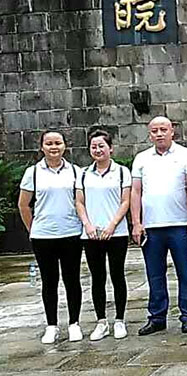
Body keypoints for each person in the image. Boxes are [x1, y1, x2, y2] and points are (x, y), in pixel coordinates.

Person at [130, 117, 187, 335]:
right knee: (155, 274)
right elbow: (135, 192)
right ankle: (157, 317)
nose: (159, 134)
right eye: (154, 131)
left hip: (179, 224)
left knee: (185, 272)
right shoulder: (142, 159)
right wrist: (136, 223)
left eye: (163, 129)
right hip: (151, 227)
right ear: (149, 134)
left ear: (172, 131)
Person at [17, 130, 84, 344]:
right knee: (49, 281)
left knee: (72, 280)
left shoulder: (75, 171)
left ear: (65, 146)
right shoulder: (33, 172)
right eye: (49, 143)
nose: (53, 147)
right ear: (42, 147)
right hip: (43, 236)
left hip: (71, 233)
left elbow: (81, 202)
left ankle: (74, 323)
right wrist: (33, 229)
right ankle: (52, 325)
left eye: (57, 143)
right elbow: (23, 205)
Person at [74, 129, 131, 341]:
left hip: (117, 233)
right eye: (94, 146)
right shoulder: (83, 174)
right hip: (91, 234)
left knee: (117, 275)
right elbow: (79, 202)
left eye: (101, 146)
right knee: (97, 277)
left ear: (110, 148)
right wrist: (87, 225)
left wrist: (112, 225)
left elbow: (125, 201)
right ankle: (101, 321)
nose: (98, 150)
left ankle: (120, 320)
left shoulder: (122, 172)